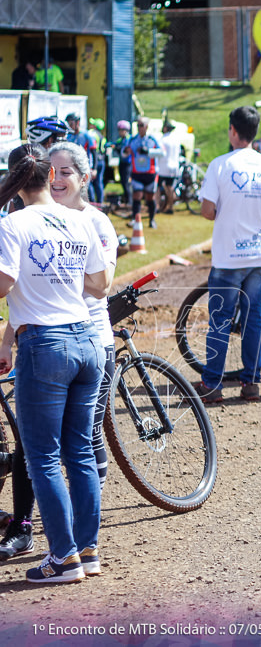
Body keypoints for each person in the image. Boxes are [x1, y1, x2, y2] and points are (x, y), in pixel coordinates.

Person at [0, 143, 110, 583]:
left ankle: (63, 558)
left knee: (43, 458)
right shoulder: (80, 219)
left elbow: (3, 284)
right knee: (80, 451)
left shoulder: (14, 223)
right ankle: (87, 551)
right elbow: (100, 285)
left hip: (44, 345)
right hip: (86, 339)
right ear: (49, 175)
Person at [194, 107, 261, 403]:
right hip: (260, 255)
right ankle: (251, 383)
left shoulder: (220, 165)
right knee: (254, 318)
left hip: (228, 256)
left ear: (233, 131)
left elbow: (207, 210)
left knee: (221, 319)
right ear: (256, 132)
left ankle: (212, 383)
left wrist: (230, 215)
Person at [48, 141, 119, 496]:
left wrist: (53, 278)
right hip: (52, 339)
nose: (56, 180)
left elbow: (100, 286)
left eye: (65, 173)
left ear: (85, 177)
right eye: (51, 172)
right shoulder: (41, 216)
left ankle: (91, 503)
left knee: (87, 428)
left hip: (94, 340)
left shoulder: (96, 221)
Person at [124, 116, 163, 229]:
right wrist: (125, 151)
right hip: (136, 173)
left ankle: (152, 220)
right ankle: (135, 219)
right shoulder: (132, 139)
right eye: (138, 125)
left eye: (141, 125)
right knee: (137, 196)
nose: (139, 128)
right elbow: (124, 152)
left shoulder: (152, 140)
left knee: (149, 198)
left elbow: (162, 153)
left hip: (150, 173)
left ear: (146, 127)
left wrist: (149, 152)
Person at [65, 115, 99, 203]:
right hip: (73, 167)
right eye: (68, 124)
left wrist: (94, 169)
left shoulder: (87, 135)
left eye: (71, 123)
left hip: (85, 166)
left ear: (78, 123)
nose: (70, 126)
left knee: (87, 189)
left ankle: (93, 207)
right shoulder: (69, 136)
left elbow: (94, 153)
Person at [156, 120, 181, 214]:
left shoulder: (163, 140)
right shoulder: (176, 140)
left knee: (158, 187)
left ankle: (157, 206)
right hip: (174, 166)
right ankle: (170, 206)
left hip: (163, 166)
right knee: (170, 187)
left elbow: (160, 153)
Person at [109, 120, 133, 210]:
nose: (119, 132)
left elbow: (125, 150)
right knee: (123, 182)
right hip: (122, 163)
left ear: (125, 130)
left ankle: (130, 202)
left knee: (127, 183)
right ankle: (126, 200)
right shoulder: (121, 139)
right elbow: (117, 145)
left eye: (121, 130)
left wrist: (117, 148)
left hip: (128, 164)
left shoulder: (129, 139)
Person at [87, 118, 107, 206]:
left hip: (94, 161)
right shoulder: (102, 137)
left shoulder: (92, 133)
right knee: (99, 182)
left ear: (95, 126)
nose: (90, 125)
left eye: (92, 124)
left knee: (89, 181)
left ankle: (93, 201)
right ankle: (100, 202)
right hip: (101, 161)